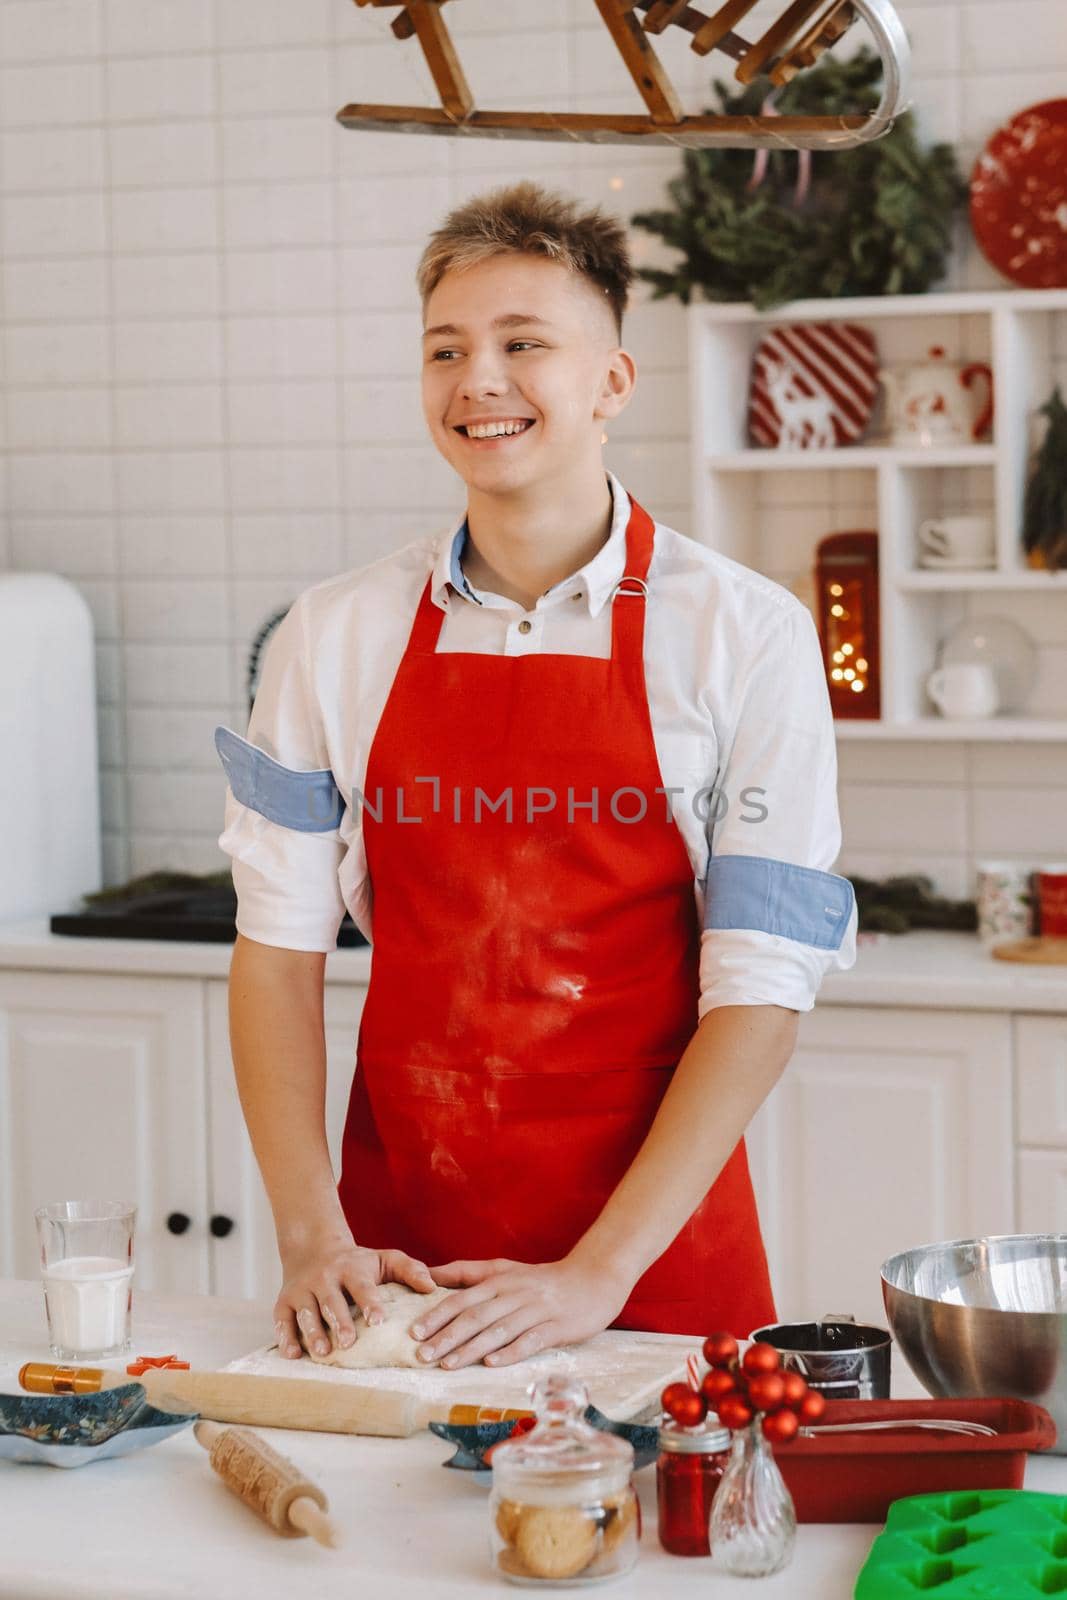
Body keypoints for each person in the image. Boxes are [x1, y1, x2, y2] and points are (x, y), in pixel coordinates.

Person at [215, 181, 856, 1372]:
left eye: (524, 345)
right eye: (445, 350)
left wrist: (595, 1274)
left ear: (610, 381)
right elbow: (275, 948)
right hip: (396, 1263)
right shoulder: (335, 633)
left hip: (650, 1262)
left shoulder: (743, 633)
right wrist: (311, 1237)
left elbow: (763, 987)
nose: (479, 382)